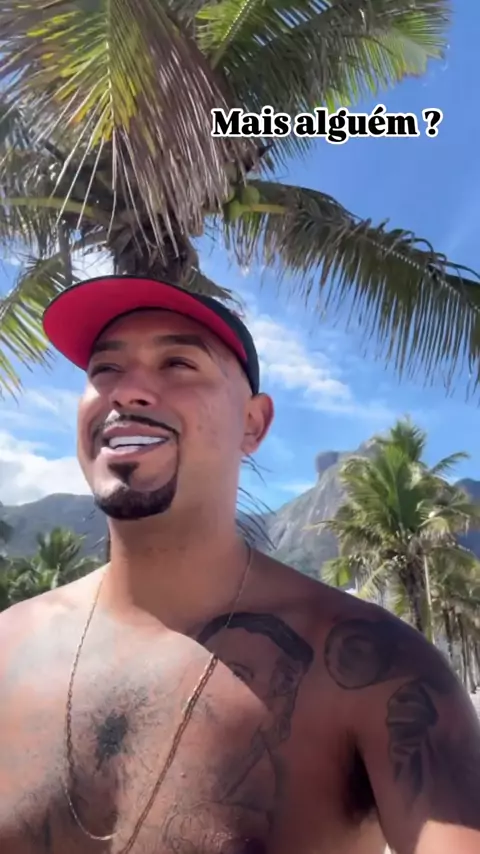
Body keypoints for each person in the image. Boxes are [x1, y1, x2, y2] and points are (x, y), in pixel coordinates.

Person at [0, 275, 479, 854]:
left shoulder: (374, 669)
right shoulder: (8, 646)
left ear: (253, 424)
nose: (127, 391)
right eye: (105, 369)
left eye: (178, 364)